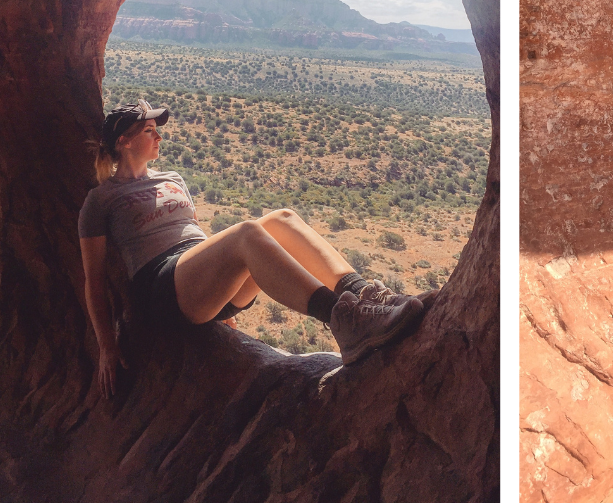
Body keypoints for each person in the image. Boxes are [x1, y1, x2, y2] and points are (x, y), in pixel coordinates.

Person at [79, 100, 426, 399]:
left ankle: (363, 295)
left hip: (199, 283)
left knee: (281, 218)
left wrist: (217, 282)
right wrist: (106, 346)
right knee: (247, 232)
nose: (158, 136)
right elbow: (93, 280)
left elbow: (196, 233)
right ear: (124, 141)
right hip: (161, 288)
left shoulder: (172, 178)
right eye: (148, 131)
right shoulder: (101, 200)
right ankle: (345, 321)